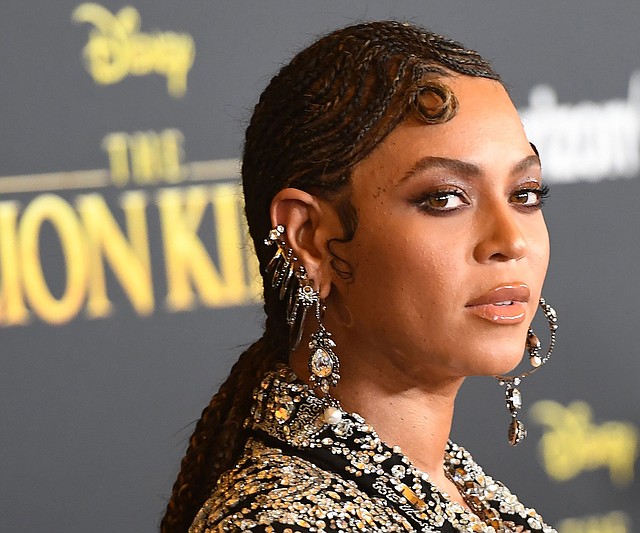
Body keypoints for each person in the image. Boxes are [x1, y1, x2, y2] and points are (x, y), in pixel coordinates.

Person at [161, 20, 558, 533]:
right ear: (309, 238)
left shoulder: (445, 485)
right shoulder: (279, 525)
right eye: (444, 198)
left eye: (525, 194)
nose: (512, 240)